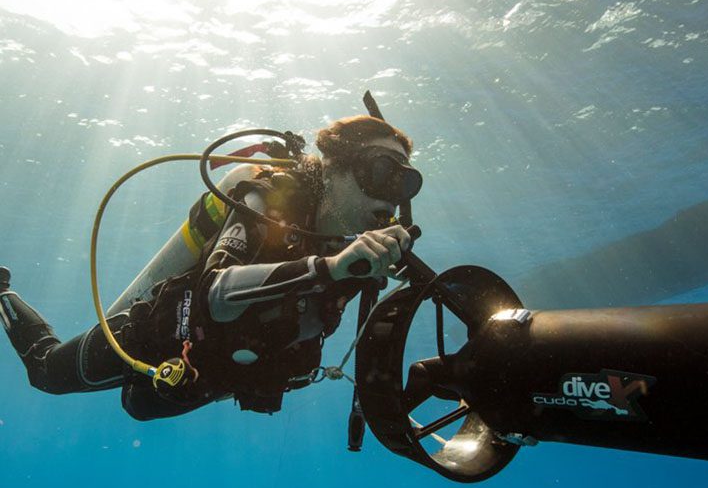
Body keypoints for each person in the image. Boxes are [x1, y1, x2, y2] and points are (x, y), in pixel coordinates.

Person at [0, 114, 420, 420]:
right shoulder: (267, 200)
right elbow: (214, 292)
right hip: (157, 335)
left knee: (140, 406)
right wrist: (332, 267)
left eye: (403, 182)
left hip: (209, 376)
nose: (390, 192)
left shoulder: (353, 252)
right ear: (334, 167)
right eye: (381, 171)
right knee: (46, 371)